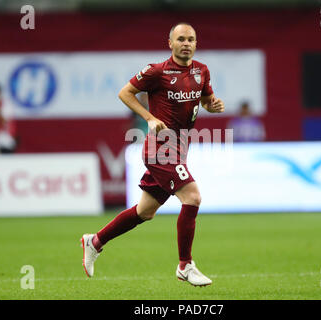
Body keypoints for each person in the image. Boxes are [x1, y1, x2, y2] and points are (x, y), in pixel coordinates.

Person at [81, 22, 225, 286]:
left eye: (191, 39)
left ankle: (95, 241)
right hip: (160, 148)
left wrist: (212, 105)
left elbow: (205, 100)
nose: (186, 43)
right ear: (169, 43)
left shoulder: (202, 71)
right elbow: (125, 93)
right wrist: (149, 117)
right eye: (180, 39)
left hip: (181, 148)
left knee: (145, 211)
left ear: (196, 43)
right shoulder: (157, 71)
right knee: (192, 197)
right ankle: (185, 265)